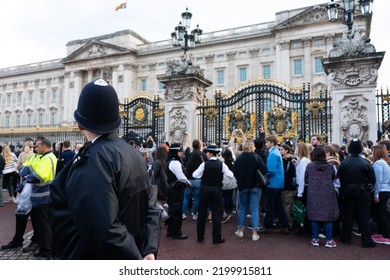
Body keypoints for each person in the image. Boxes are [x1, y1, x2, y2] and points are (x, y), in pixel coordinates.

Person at [49, 79, 161, 260]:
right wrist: (148, 248)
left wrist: (136, 260)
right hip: (135, 248)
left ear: (79, 124)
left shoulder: (92, 159)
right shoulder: (133, 153)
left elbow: (104, 228)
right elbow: (152, 208)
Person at [18, 138, 57, 259]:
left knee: (43, 226)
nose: (35, 149)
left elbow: (37, 176)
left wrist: (28, 175)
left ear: (44, 146)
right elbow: (23, 171)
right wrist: (28, 173)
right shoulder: (41, 157)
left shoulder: (47, 158)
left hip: (43, 196)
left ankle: (46, 253)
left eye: (37, 146)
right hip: (38, 197)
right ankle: (41, 248)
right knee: (39, 226)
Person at [338, 138, 377, 248]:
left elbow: (340, 178)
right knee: (364, 216)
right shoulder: (366, 163)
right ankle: (366, 240)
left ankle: (346, 238)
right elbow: (372, 179)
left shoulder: (344, 162)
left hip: (348, 191)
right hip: (363, 192)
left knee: (348, 215)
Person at [193, 144, 234, 244]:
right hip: (216, 189)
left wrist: (204, 175)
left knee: (202, 213)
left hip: (205, 189)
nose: (206, 154)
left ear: (211, 153)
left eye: (207, 152)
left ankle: (200, 237)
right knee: (217, 214)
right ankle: (216, 239)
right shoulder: (221, 165)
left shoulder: (204, 164)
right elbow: (230, 175)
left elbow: (195, 175)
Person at [305, 146, 339, 248]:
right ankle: (329, 240)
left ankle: (315, 238)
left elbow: (306, 179)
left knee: (314, 216)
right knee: (328, 217)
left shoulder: (310, 166)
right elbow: (334, 177)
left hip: (313, 193)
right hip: (327, 193)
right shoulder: (330, 166)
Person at [234, 140, 267, 241]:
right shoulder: (256, 157)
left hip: (243, 185)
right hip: (255, 186)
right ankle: (254, 232)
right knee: (254, 208)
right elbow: (265, 169)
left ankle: (240, 230)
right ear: (252, 147)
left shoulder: (239, 158)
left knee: (242, 207)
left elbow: (234, 172)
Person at [261, 135, 289, 234]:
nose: (266, 144)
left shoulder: (272, 154)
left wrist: (263, 174)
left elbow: (270, 170)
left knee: (270, 206)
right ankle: (284, 226)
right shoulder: (276, 152)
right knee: (278, 206)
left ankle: (268, 227)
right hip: (278, 182)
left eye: (267, 142)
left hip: (273, 183)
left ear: (272, 142)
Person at [166, 142, 191, 240]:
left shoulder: (169, 161)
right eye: (180, 151)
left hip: (171, 186)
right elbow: (181, 177)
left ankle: (170, 230)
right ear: (176, 152)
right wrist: (188, 182)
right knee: (177, 210)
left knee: (172, 210)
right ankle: (176, 232)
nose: (181, 153)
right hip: (177, 187)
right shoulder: (175, 162)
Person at [370, 144, 390, 245]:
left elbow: (377, 180)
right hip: (386, 190)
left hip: (381, 191)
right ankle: (382, 233)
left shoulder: (378, 164)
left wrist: (376, 194)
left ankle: (385, 236)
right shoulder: (385, 163)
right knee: (383, 213)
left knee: (381, 215)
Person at [183, 139, 206, 220]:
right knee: (196, 198)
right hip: (198, 179)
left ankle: (183, 213)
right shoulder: (202, 154)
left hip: (189, 178)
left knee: (186, 197)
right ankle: (195, 214)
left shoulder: (190, 154)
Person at [280, 144, 297, 229]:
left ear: (287, 150)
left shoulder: (289, 160)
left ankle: (288, 224)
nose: (280, 151)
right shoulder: (291, 159)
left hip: (287, 186)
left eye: (282, 149)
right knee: (289, 205)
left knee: (286, 205)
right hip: (291, 186)